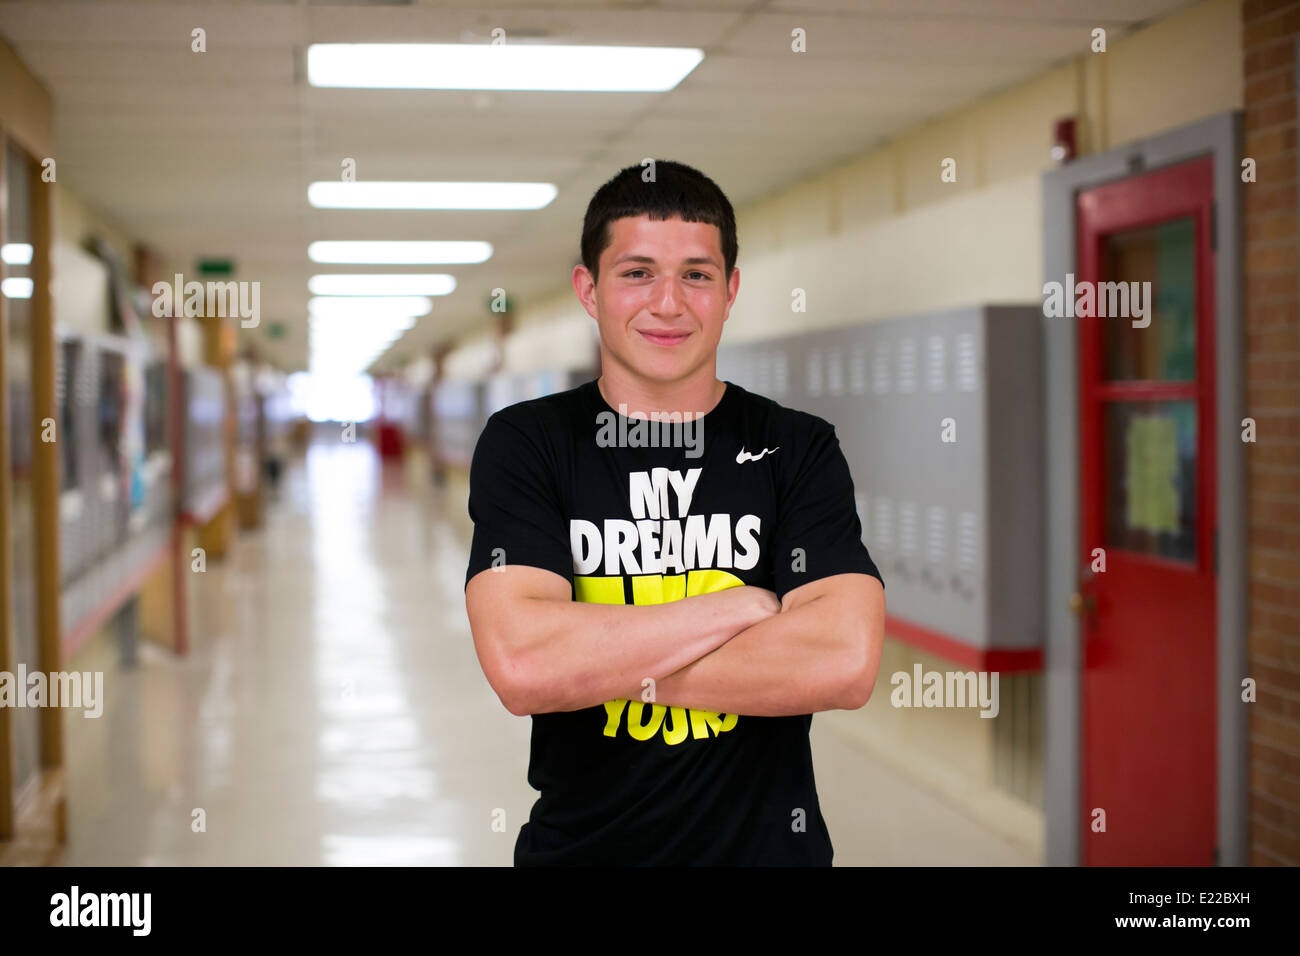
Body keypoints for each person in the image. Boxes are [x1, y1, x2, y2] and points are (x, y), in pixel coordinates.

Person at [463, 159, 886, 866]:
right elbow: (524, 665)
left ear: (729, 292)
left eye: (696, 274)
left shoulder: (795, 448)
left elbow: (842, 661)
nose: (668, 303)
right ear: (588, 291)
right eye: (636, 273)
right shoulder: (529, 443)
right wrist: (738, 609)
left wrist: (593, 662)